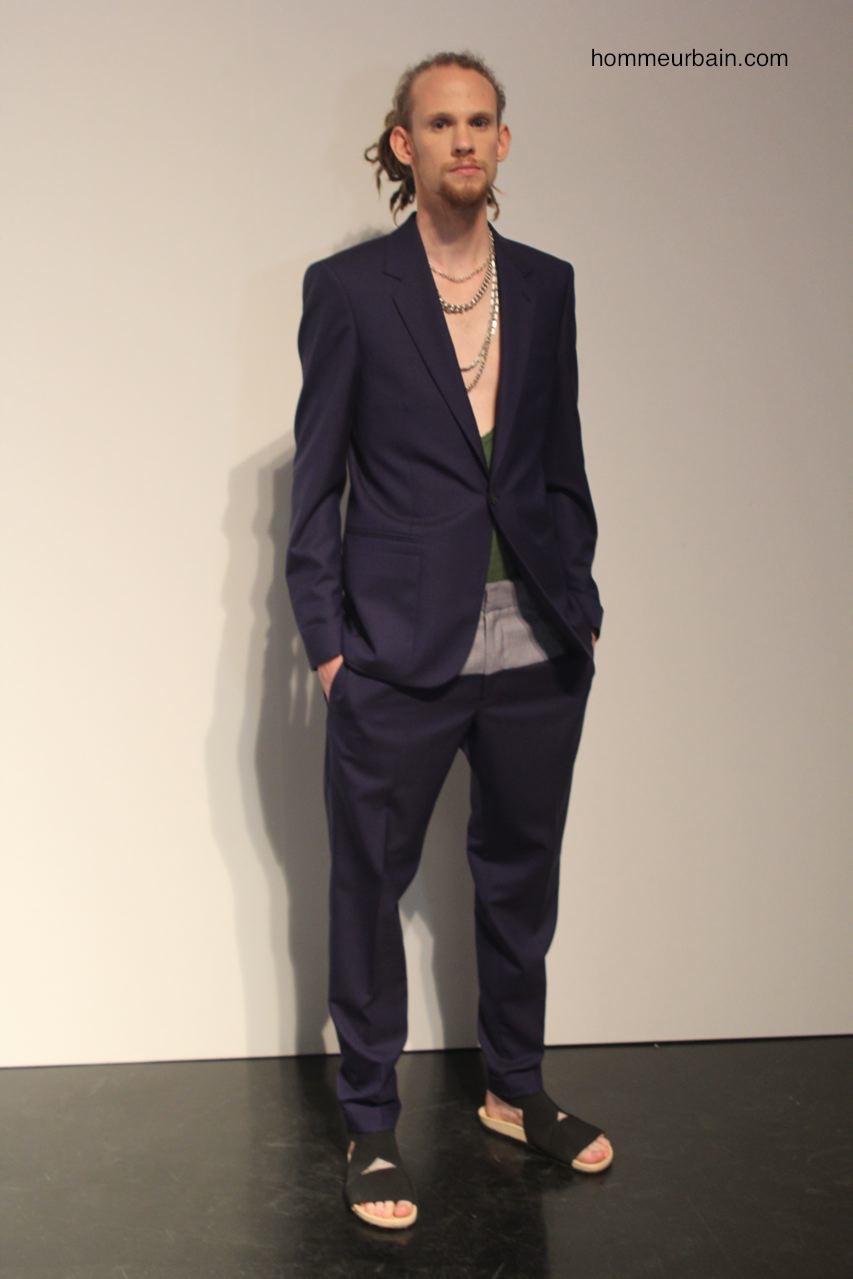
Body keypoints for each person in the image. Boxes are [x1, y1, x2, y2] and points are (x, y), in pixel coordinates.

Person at [285, 50, 613, 1230]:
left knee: (521, 878)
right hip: (396, 649)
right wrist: (330, 647)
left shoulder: (545, 285)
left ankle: (513, 1090)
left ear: (502, 142)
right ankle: (370, 1122)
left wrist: (579, 601)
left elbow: (560, 458)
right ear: (403, 145)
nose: (462, 139)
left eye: (480, 121)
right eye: (440, 123)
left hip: (535, 640)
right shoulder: (350, 289)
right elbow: (315, 482)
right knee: (368, 884)